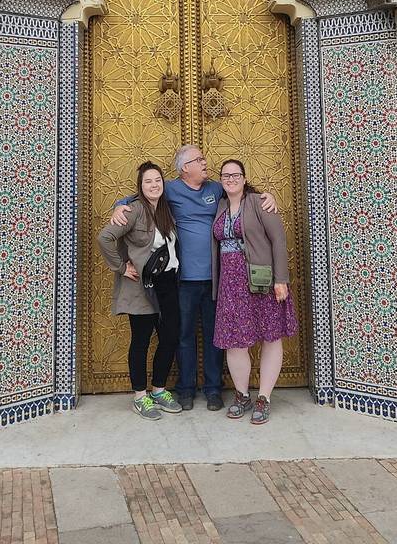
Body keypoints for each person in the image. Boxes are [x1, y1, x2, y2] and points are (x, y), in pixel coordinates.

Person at [110, 144, 277, 412]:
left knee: (215, 335)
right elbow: (142, 194)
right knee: (183, 335)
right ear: (185, 168)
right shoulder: (171, 188)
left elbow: (240, 191)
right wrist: (119, 205)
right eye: (199, 159)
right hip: (183, 280)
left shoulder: (214, 188)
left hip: (217, 279)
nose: (205, 162)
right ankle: (185, 389)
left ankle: (213, 390)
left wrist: (265, 196)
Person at [211, 158, 298, 425]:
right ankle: (241, 394)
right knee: (235, 340)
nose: (231, 179)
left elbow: (278, 240)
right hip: (230, 285)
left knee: (270, 336)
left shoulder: (260, 202)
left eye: (236, 175)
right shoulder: (221, 205)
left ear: (245, 178)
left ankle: (264, 397)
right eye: (226, 175)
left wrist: (281, 279)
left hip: (261, 281)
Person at [98, 161, 183, 420]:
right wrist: (121, 267)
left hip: (167, 283)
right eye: (148, 181)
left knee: (170, 337)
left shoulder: (166, 210)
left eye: (157, 180)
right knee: (141, 340)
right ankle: (140, 396)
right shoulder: (133, 210)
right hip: (141, 286)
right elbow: (105, 238)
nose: (154, 185)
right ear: (140, 186)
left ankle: (158, 389)